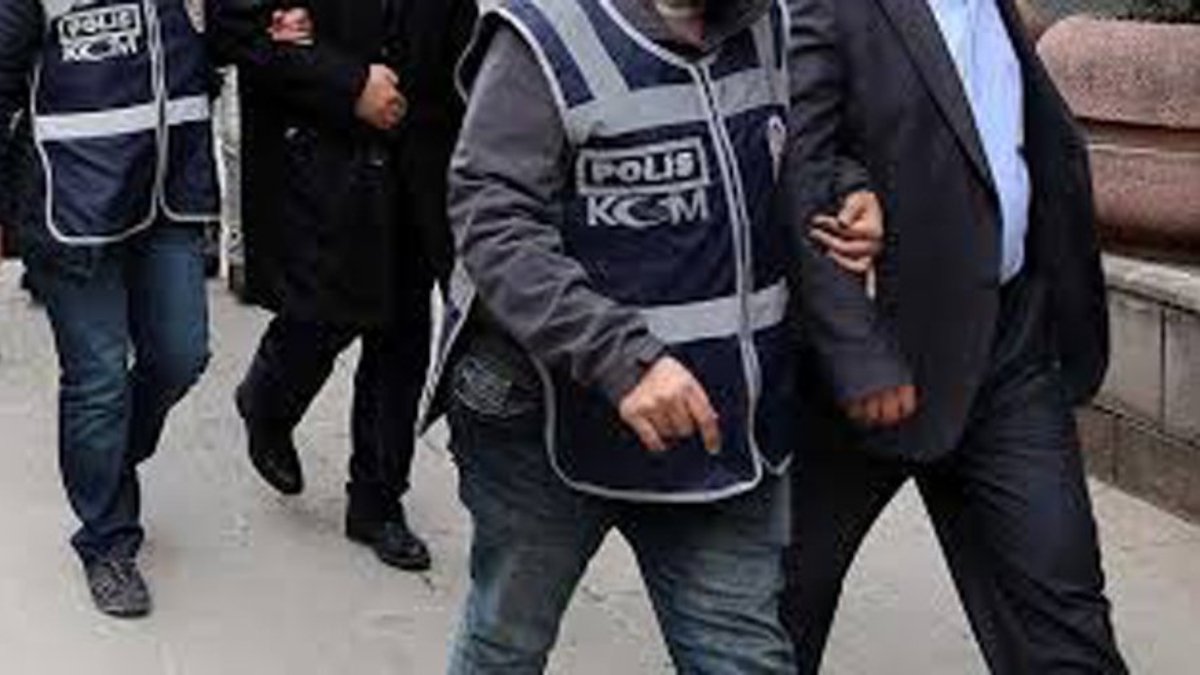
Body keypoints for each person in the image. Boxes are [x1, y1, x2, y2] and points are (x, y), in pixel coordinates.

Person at [427, 0, 892, 670]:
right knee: (507, 642)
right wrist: (625, 358)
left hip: (719, 430)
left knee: (742, 656)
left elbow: (801, 144)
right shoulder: (543, 34)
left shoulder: (774, 23)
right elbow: (496, 222)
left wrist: (848, 189)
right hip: (547, 424)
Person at [781, 0, 1128, 672]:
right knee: (774, 622)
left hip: (1009, 351)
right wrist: (858, 354)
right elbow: (797, 163)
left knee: (1064, 617)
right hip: (861, 377)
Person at [208, 0, 477, 571]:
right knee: (321, 316)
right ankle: (267, 401)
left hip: (420, 150)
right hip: (321, 152)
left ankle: (378, 501)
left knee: (403, 331)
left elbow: (463, 39)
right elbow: (235, 29)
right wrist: (348, 82)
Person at [0, 0, 217, 617]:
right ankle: (107, 541)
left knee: (181, 355)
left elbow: (227, 42)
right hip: (70, 206)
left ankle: (109, 458)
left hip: (169, 194)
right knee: (99, 382)